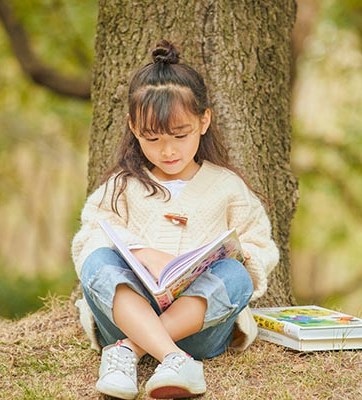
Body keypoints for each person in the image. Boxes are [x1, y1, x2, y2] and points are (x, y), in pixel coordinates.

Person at [71, 39, 279, 399]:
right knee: (96, 259)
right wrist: (143, 253)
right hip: (125, 314)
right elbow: (90, 235)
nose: (168, 151)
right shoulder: (123, 185)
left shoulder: (227, 187)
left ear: (204, 121)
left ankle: (129, 353)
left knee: (236, 274)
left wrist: (239, 258)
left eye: (180, 136)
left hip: (199, 327)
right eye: (152, 138)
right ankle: (171, 358)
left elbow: (261, 245)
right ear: (133, 128)